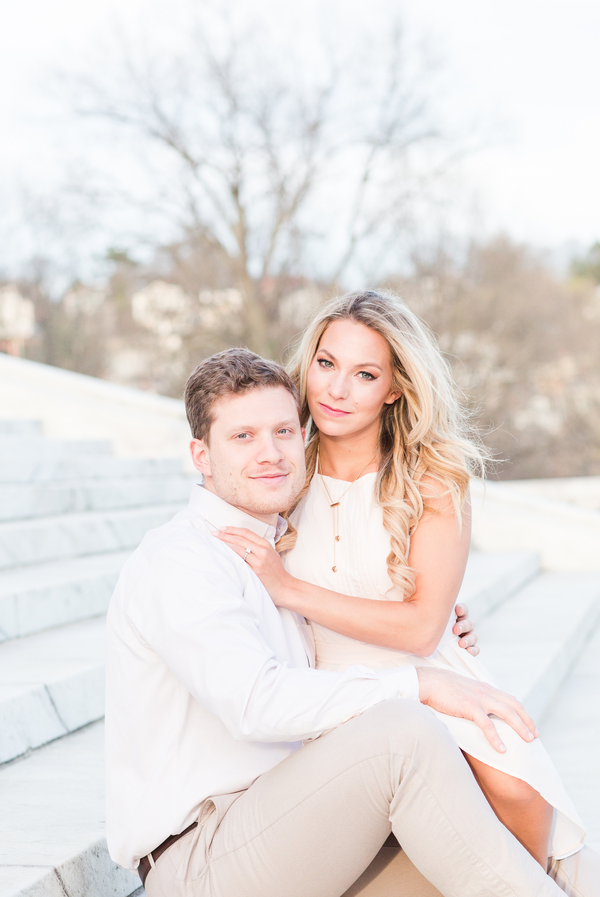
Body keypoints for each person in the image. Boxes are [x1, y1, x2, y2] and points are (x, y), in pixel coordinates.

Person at [105, 348, 573, 897]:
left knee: (490, 861)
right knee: (404, 735)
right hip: (206, 859)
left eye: (283, 431)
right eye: (242, 437)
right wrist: (421, 682)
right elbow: (257, 703)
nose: (271, 453)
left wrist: (444, 618)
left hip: (298, 828)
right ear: (200, 455)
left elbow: (354, 610)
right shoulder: (182, 559)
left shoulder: (275, 552)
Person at [212, 293, 600, 893]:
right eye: (326, 364)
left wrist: (291, 589)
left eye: (364, 374)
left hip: (429, 673)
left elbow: (422, 629)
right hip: (334, 695)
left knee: (515, 792)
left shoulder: (434, 478)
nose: (336, 389)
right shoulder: (284, 470)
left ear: (394, 388)